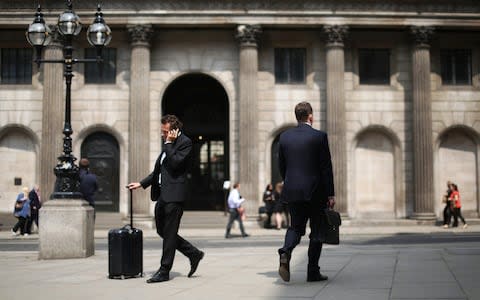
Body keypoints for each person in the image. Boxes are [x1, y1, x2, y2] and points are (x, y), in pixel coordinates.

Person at [127, 114, 204, 283]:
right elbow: (160, 171)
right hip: (162, 194)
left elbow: (176, 163)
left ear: (174, 131)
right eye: (162, 131)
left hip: (175, 196)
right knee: (162, 231)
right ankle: (193, 253)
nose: (162, 134)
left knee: (169, 233)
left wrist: (169, 143)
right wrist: (141, 183)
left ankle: (164, 270)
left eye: (165, 131)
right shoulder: (167, 145)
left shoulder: (185, 143)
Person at [277, 101, 335, 282]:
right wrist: (330, 194)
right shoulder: (319, 136)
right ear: (311, 116)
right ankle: (312, 271)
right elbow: (326, 168)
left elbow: (282, 166)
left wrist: (290, 183)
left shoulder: (284, 137)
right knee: (317, 231)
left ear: (297, 116)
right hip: (316, 192)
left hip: (293, 191)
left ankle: (285, 251)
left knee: (295, 227)